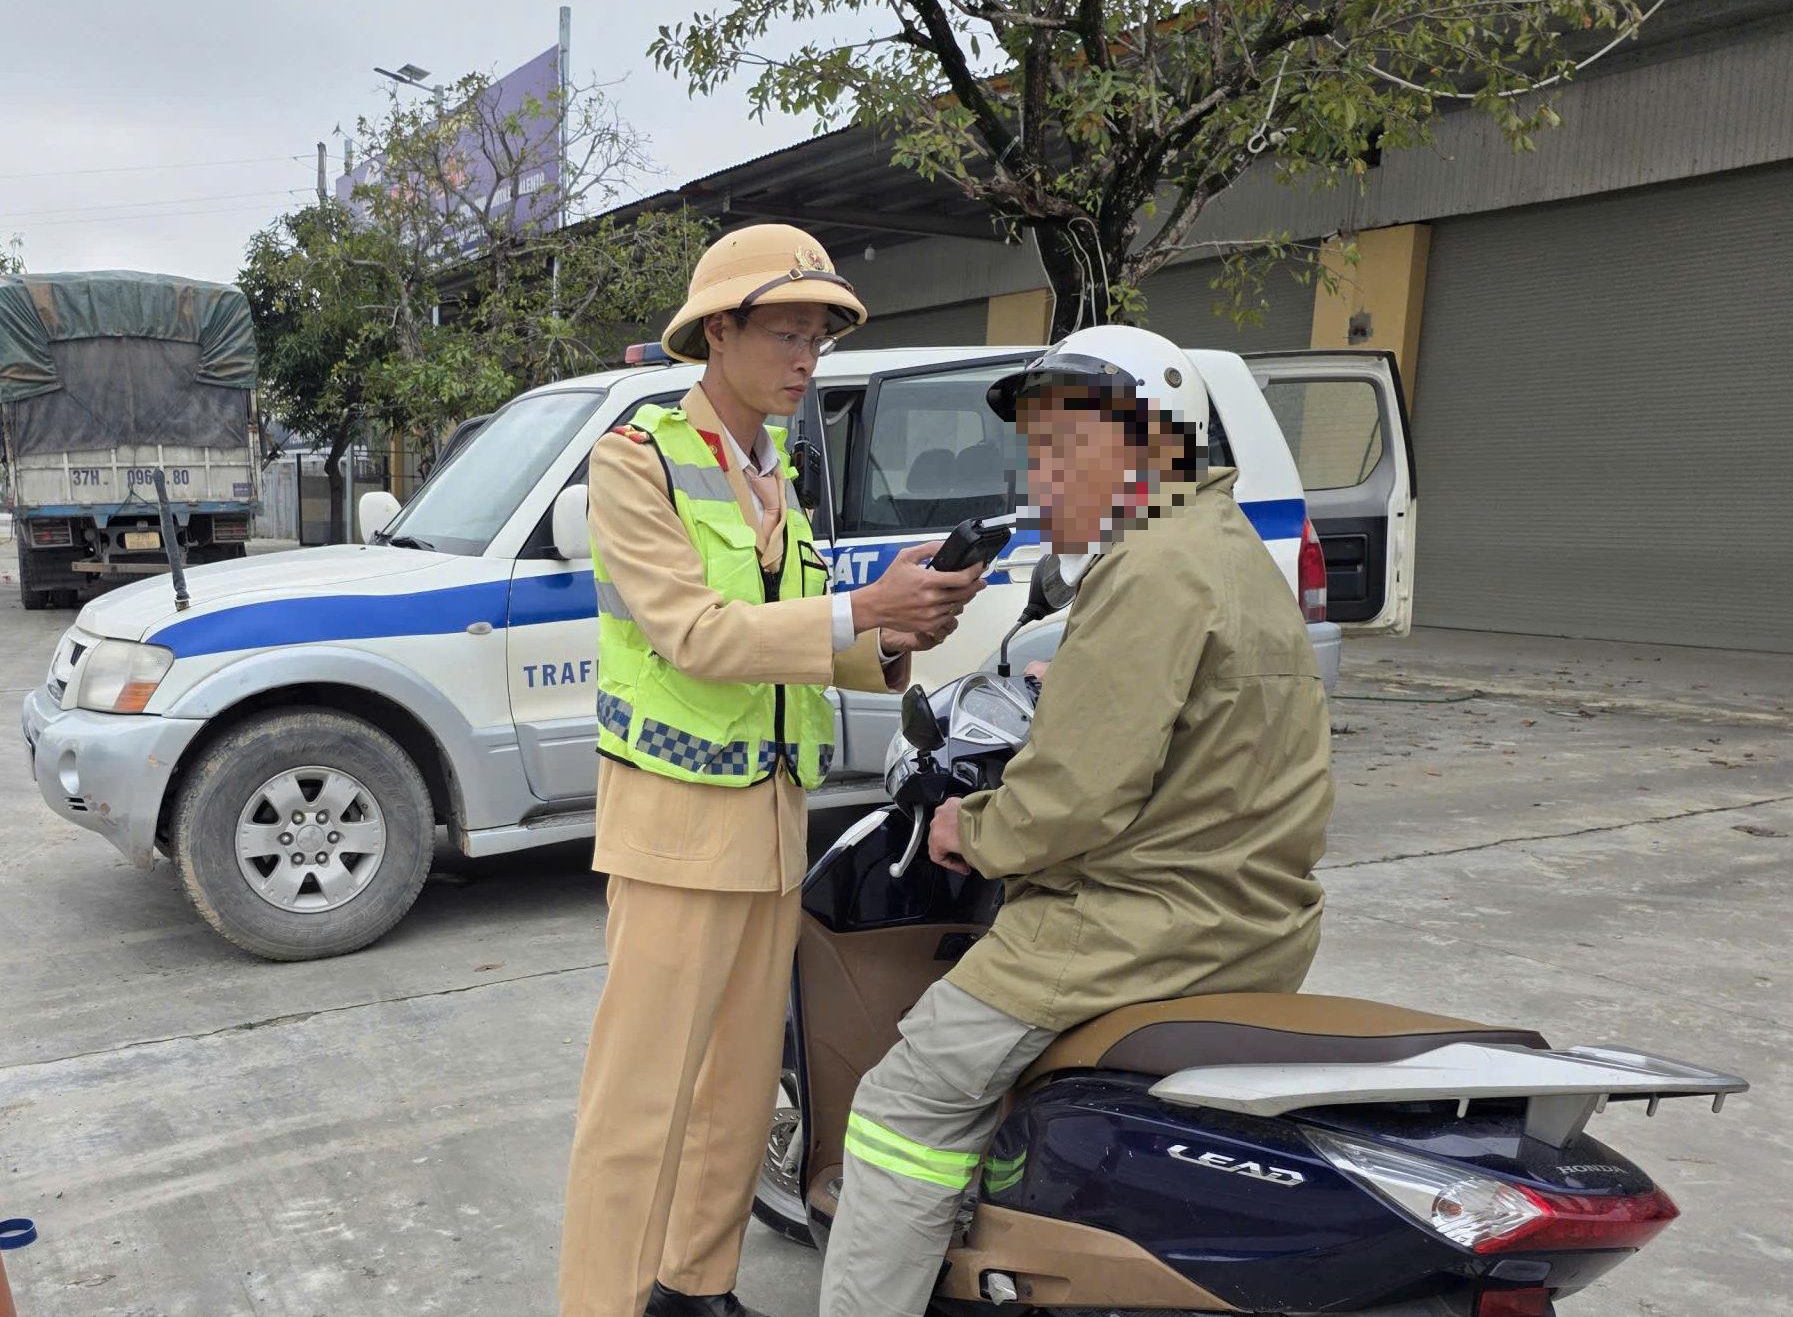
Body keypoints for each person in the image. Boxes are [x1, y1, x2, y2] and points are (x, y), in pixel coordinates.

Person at [817, 325, 1337, 1317]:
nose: (1041, 478)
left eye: (1064, 449)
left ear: (1153, 444)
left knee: (900, 1101)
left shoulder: (1147, 572)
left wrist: (975, 826)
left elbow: (1068, 802)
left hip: (1134, 925)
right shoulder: (1223, 550)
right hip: (1253, 914)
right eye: (1033, 453)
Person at [557, 223, 989, 1317]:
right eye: (788, 333)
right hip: (673, 830)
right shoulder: (637, 458)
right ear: (719, 331)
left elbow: (790, 639)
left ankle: (694, 1284)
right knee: (638, 1106)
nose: (807, 359)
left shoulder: (773, 471)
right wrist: (857, 608)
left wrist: (895, 632)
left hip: (767, 829)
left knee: (742, 1094)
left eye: (818, 339)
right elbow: (697, 634)